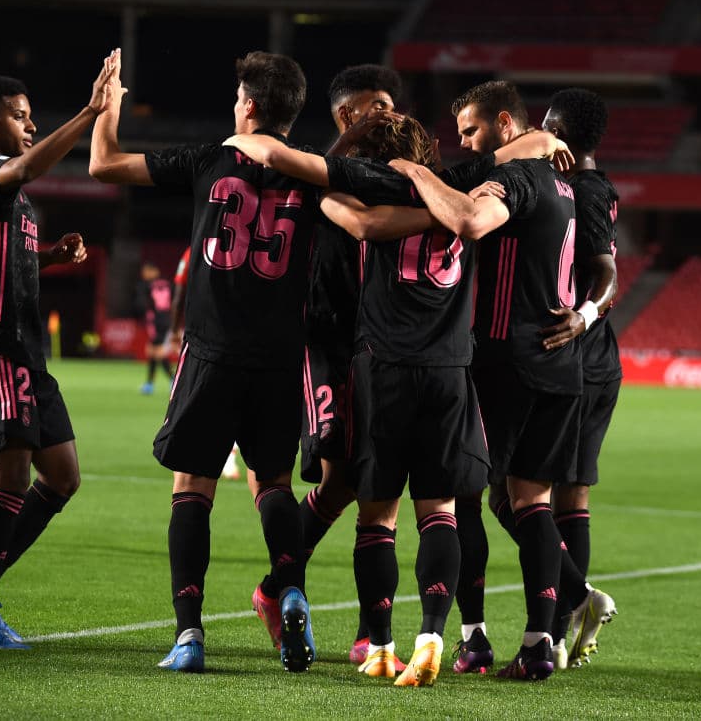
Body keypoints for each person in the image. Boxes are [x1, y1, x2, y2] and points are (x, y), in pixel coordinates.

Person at [225, 112, 568, 685]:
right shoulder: (465, 187)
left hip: (381, 369)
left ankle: (380, 644)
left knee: (376, 518)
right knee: (441, 512)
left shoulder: (372, 193)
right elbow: (521, 149)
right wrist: (550, 139)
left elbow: (344, 211)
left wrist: (257, 147)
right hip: (451, 371)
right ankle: (433, 634)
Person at [90, 50, 320, 674]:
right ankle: (291, 588)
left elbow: (103, 163)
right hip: (279, 358)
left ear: (247, 105)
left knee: (193, 488)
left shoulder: (209, 158)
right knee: (273, 482)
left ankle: (189, 634)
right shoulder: (319, 175)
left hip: (211, 352)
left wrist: (107, 107)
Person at [387, 79, 612, 681]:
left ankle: (474, 637)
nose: (462, 143)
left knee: (464, 496)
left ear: (506, 125)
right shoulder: (570, 185)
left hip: (502, 359)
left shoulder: (519, 179)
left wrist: (414, 170)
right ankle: (541, 644)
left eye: (472, 130)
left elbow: (466, 218)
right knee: (532, 502)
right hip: (561, 367)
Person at [0, 54, 113, 650]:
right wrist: (90, 113)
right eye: (20, 117)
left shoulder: (10, 196)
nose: (30, 126)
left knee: (62, 478)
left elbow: (0, 261)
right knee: (11, 476)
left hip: (25, 353)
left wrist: (52, 258)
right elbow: (29, 166)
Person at [249, 62, 405, 668]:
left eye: (394, 104)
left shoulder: (393, 174)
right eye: (378, 105)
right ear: (347, 114)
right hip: (324, 343)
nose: (390, 114)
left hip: (381, 349)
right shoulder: (316, 168)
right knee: (342, 476)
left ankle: (368, 627)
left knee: (370, 482)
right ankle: (278, 586)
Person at [541, 87, 621, 667]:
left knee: (517, 493)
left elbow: (609, 271)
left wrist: (584, 315)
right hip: (596, 362)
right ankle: (561, 620)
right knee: (571, 494)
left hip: (581, 360)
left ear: (561, 130)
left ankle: (573, 600)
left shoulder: (585, 191)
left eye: (546, 124)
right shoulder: (589, 186)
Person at [135, 261, 173, 394]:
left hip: (156, 321)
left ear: (154, 271)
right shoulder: (168, 284)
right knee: (153, 352)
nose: (144, 274)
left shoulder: (146, 286)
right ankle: (150, 383)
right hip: (167, 320)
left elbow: (143, 304)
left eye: (146, 271)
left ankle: (172, 380)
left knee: (157, 352)